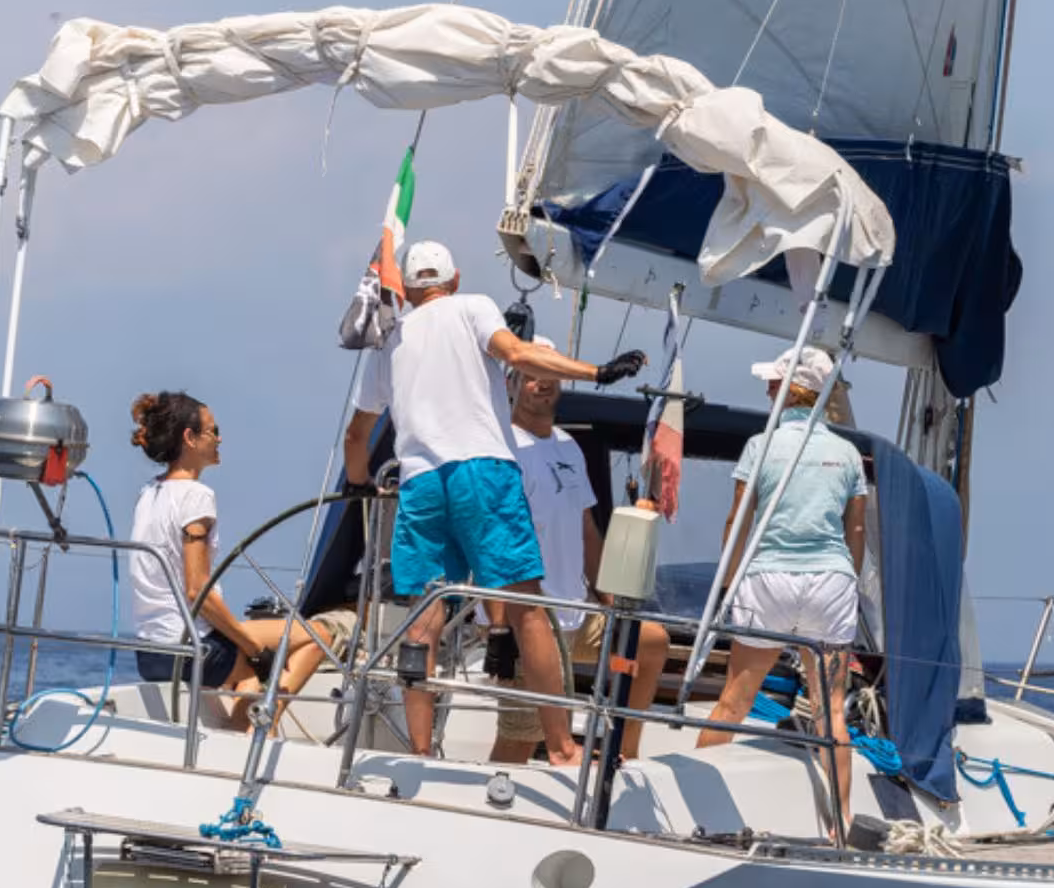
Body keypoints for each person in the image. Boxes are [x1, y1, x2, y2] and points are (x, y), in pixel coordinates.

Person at [340, 241, 646, 759]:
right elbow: (518, 355)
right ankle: (561, 747)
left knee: (423, 616)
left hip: (420, 482)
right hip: (483, 470)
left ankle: (418, 753)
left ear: (409, 291)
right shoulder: (473, 306)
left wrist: (360, 485)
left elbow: (357, 435)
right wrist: (599, 373)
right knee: (528, 607)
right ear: (454, 280)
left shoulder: (388, 339)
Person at [696, 347, 866, 821]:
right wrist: (846, 582)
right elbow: (856, 533)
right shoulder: (847, 453)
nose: (767, 389)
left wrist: (729, 588)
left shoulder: (760, 445)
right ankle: (842, 825)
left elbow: (738, 522)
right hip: (830, 583)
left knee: (733, 701)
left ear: (789, 390)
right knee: (831, 711)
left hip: (768, 579)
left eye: (773, 382)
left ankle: (702, 810)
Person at [486, 337, 671, 764]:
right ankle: (490, 810)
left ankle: (625, 753)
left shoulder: (569, 446)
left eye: (550, 376)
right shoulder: (501, 448)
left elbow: (587, 530)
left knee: (649, 641)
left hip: (577, 612)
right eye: (532, 376)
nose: (541, 385)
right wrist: (498, 627)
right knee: (520, 736)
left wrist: (611, 604)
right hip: (526, 618)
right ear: (512, 382)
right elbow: (491, 541)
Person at [127, 392, 318, 730]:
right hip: (191, 649)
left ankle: (243, 738)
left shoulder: (148, 494)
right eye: (213, 431)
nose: (219, 438)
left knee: (250, 658)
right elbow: (196, 591)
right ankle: (245, 749)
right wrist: (254, 647)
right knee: (315, 638)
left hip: (150, 652)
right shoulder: (196, 497)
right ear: (190, 438)